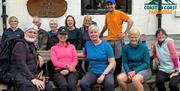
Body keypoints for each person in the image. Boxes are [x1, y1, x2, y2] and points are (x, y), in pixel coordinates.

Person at [11, 24, 52, 91]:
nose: (32, 34)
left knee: (48, 87)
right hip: (21, 75)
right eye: (30, 32)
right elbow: (21, 64)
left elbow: (34, 53)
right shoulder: (20, 45)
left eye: (34, 33)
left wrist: (39, 56)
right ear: (25, 33)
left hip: (33, 74)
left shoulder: (31, 44)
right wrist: (32, 79)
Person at [99, 0, 134, 78]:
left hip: (118, 41)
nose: (109, 6)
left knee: (118, 60)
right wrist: (101, 33)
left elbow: (130, 21)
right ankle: (108, 75)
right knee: (109, 59)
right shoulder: (107, 15)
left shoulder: (119, 13)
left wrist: (125, 33)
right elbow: (106, 25)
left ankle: (116, 77)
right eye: (108, 5)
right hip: (109, 40)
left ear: (114, 5)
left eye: (111, 4)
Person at [79, 25, 116, 91]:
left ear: (98, 33)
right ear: (89, 34)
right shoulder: (88, 44)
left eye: (95, 32)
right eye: (91, 32)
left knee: (109, 84)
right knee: (83, 83)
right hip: (92, 72)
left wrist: (103, 75)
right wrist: (72, 54)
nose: (93, 34)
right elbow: (84, 54)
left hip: (106, 72)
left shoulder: (106, 45)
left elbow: (112, 62)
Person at [50, 26, 78, 91]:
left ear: (67, 36)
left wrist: (68, 69)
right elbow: (55, 62)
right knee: (63, 85)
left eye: (65, 34)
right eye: (61, 34)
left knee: (71, 85)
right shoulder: (53, 48)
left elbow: (75, 60)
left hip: (71, 70)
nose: (63, 36)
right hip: (59, 71)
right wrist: (67, 66)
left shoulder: (72, 47)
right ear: (57, 35)